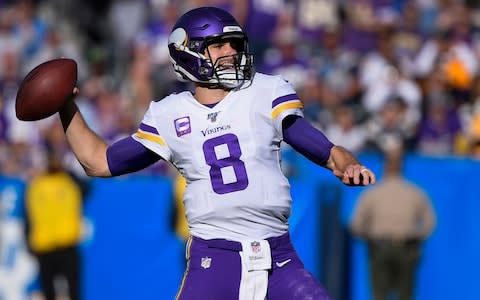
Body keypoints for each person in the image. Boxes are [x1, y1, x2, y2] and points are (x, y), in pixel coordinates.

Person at [56, 7, 376, 300]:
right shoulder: (169, 114)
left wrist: (347, 164)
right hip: (213, 259)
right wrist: (65, 106)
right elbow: (99, 161)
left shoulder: (265, 90)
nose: (231, 52)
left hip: (278, 257)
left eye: (234, 44)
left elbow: (323, 148)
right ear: (190, 52)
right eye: (220, 45)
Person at [350, 144, 436, 300]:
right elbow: (429, 223)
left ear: (384, 166)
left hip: (380, 248)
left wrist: (370, 236)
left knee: (380, 295)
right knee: (404, 295)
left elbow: (356, 225)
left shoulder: (372, 194)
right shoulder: (414, 192)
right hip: (406, 247)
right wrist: (413, 236)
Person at [25, 149, 83, 300]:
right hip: (48, 246)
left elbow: (87, 188)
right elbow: (29, 217)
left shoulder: (64, 182)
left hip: (64, 244)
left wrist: (68, 171)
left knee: (71, 290)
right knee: (51, 290)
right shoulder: (38, 185)